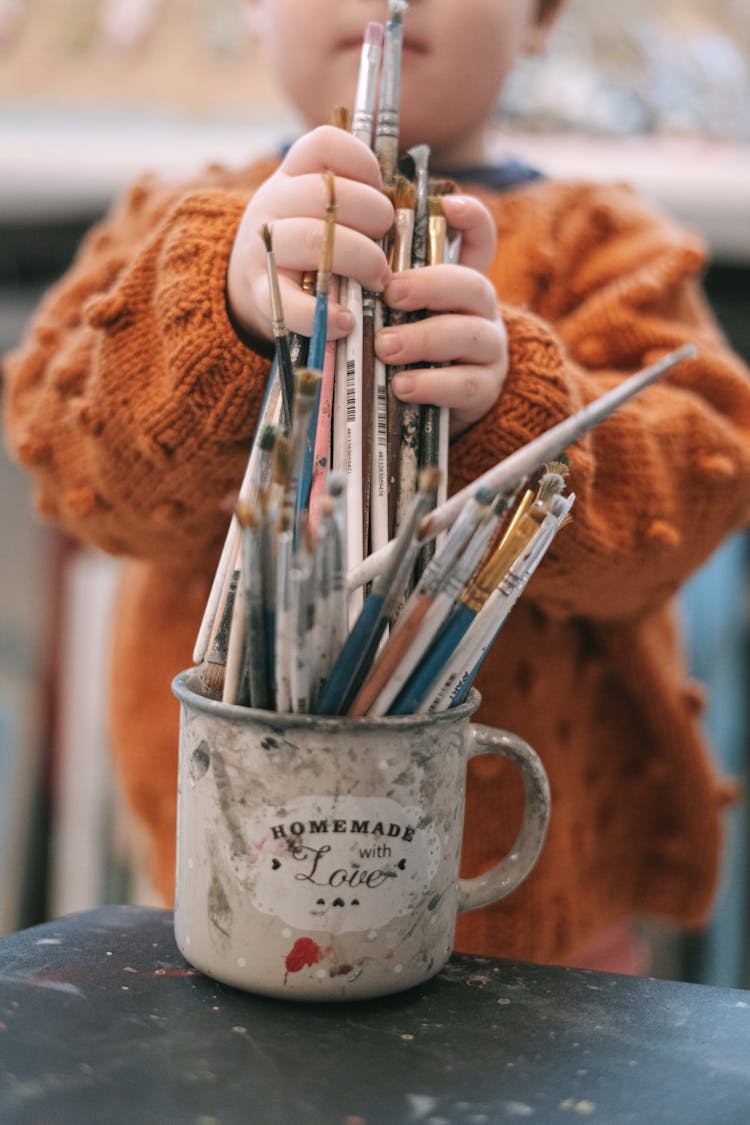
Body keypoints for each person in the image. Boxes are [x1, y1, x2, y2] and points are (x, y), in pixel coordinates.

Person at [4, 0, 750, 974]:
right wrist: (215, 315)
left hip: (551, 951)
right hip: (233, 915)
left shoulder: (612, 248)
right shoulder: (175, 228)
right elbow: (67, 463)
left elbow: (695, 497)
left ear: (541, 18)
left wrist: (516, 413)